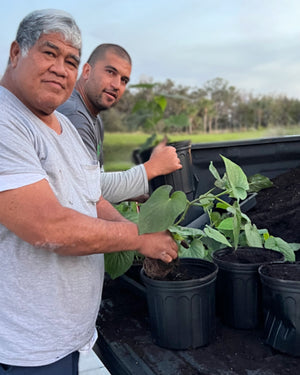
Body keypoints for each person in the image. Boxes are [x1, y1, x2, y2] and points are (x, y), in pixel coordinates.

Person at [0, 9, 178, 374]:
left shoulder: (62, 123)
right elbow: (48, 227)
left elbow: (92, 196)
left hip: (66, 338)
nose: (60, 68)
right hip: (26, 348)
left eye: (70, 60)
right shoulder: (7, 121)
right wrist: (138, 239)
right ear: (16, 53)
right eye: (49, 53)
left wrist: (146, 233)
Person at [58, 43, 182, 204]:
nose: (116, 85)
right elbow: (87, 189)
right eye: (110, 72)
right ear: (87, 71)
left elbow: (96, 179)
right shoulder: (74, 115)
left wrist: (132, 192)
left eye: (123, 80)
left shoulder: (93, 118)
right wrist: (152, 168)